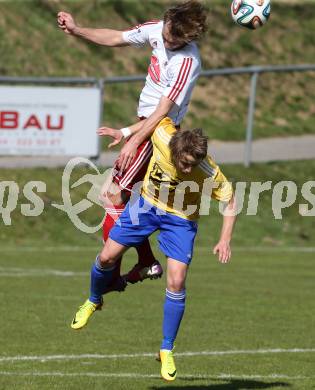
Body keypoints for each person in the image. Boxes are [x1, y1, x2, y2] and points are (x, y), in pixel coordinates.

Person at [71, 117, 237, 381]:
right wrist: (123, 132)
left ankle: (166, 349)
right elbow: (153, 119)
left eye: (191, 165)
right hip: (146, 207)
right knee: (106, 257)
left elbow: (230, 199)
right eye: (183, 163)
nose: (186, 169)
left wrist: (225, 238)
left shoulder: (207, 170)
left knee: (177, 281)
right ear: (176, 150)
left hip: (181, 219)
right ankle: (93, 300)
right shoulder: (163, 135)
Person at [57, 1, 208, 287]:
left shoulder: (187, 62)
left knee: (112, 195)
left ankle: (117, 273)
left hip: (158, 132)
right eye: (164, 35)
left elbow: (162, 112)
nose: (166, 42)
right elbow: (116, 37)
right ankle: (146, 261)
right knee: (122, 197)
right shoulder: (157, 28)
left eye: (173, 41)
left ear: (188, 38)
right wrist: (77, 30)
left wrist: (132, 138)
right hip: (144, 126)